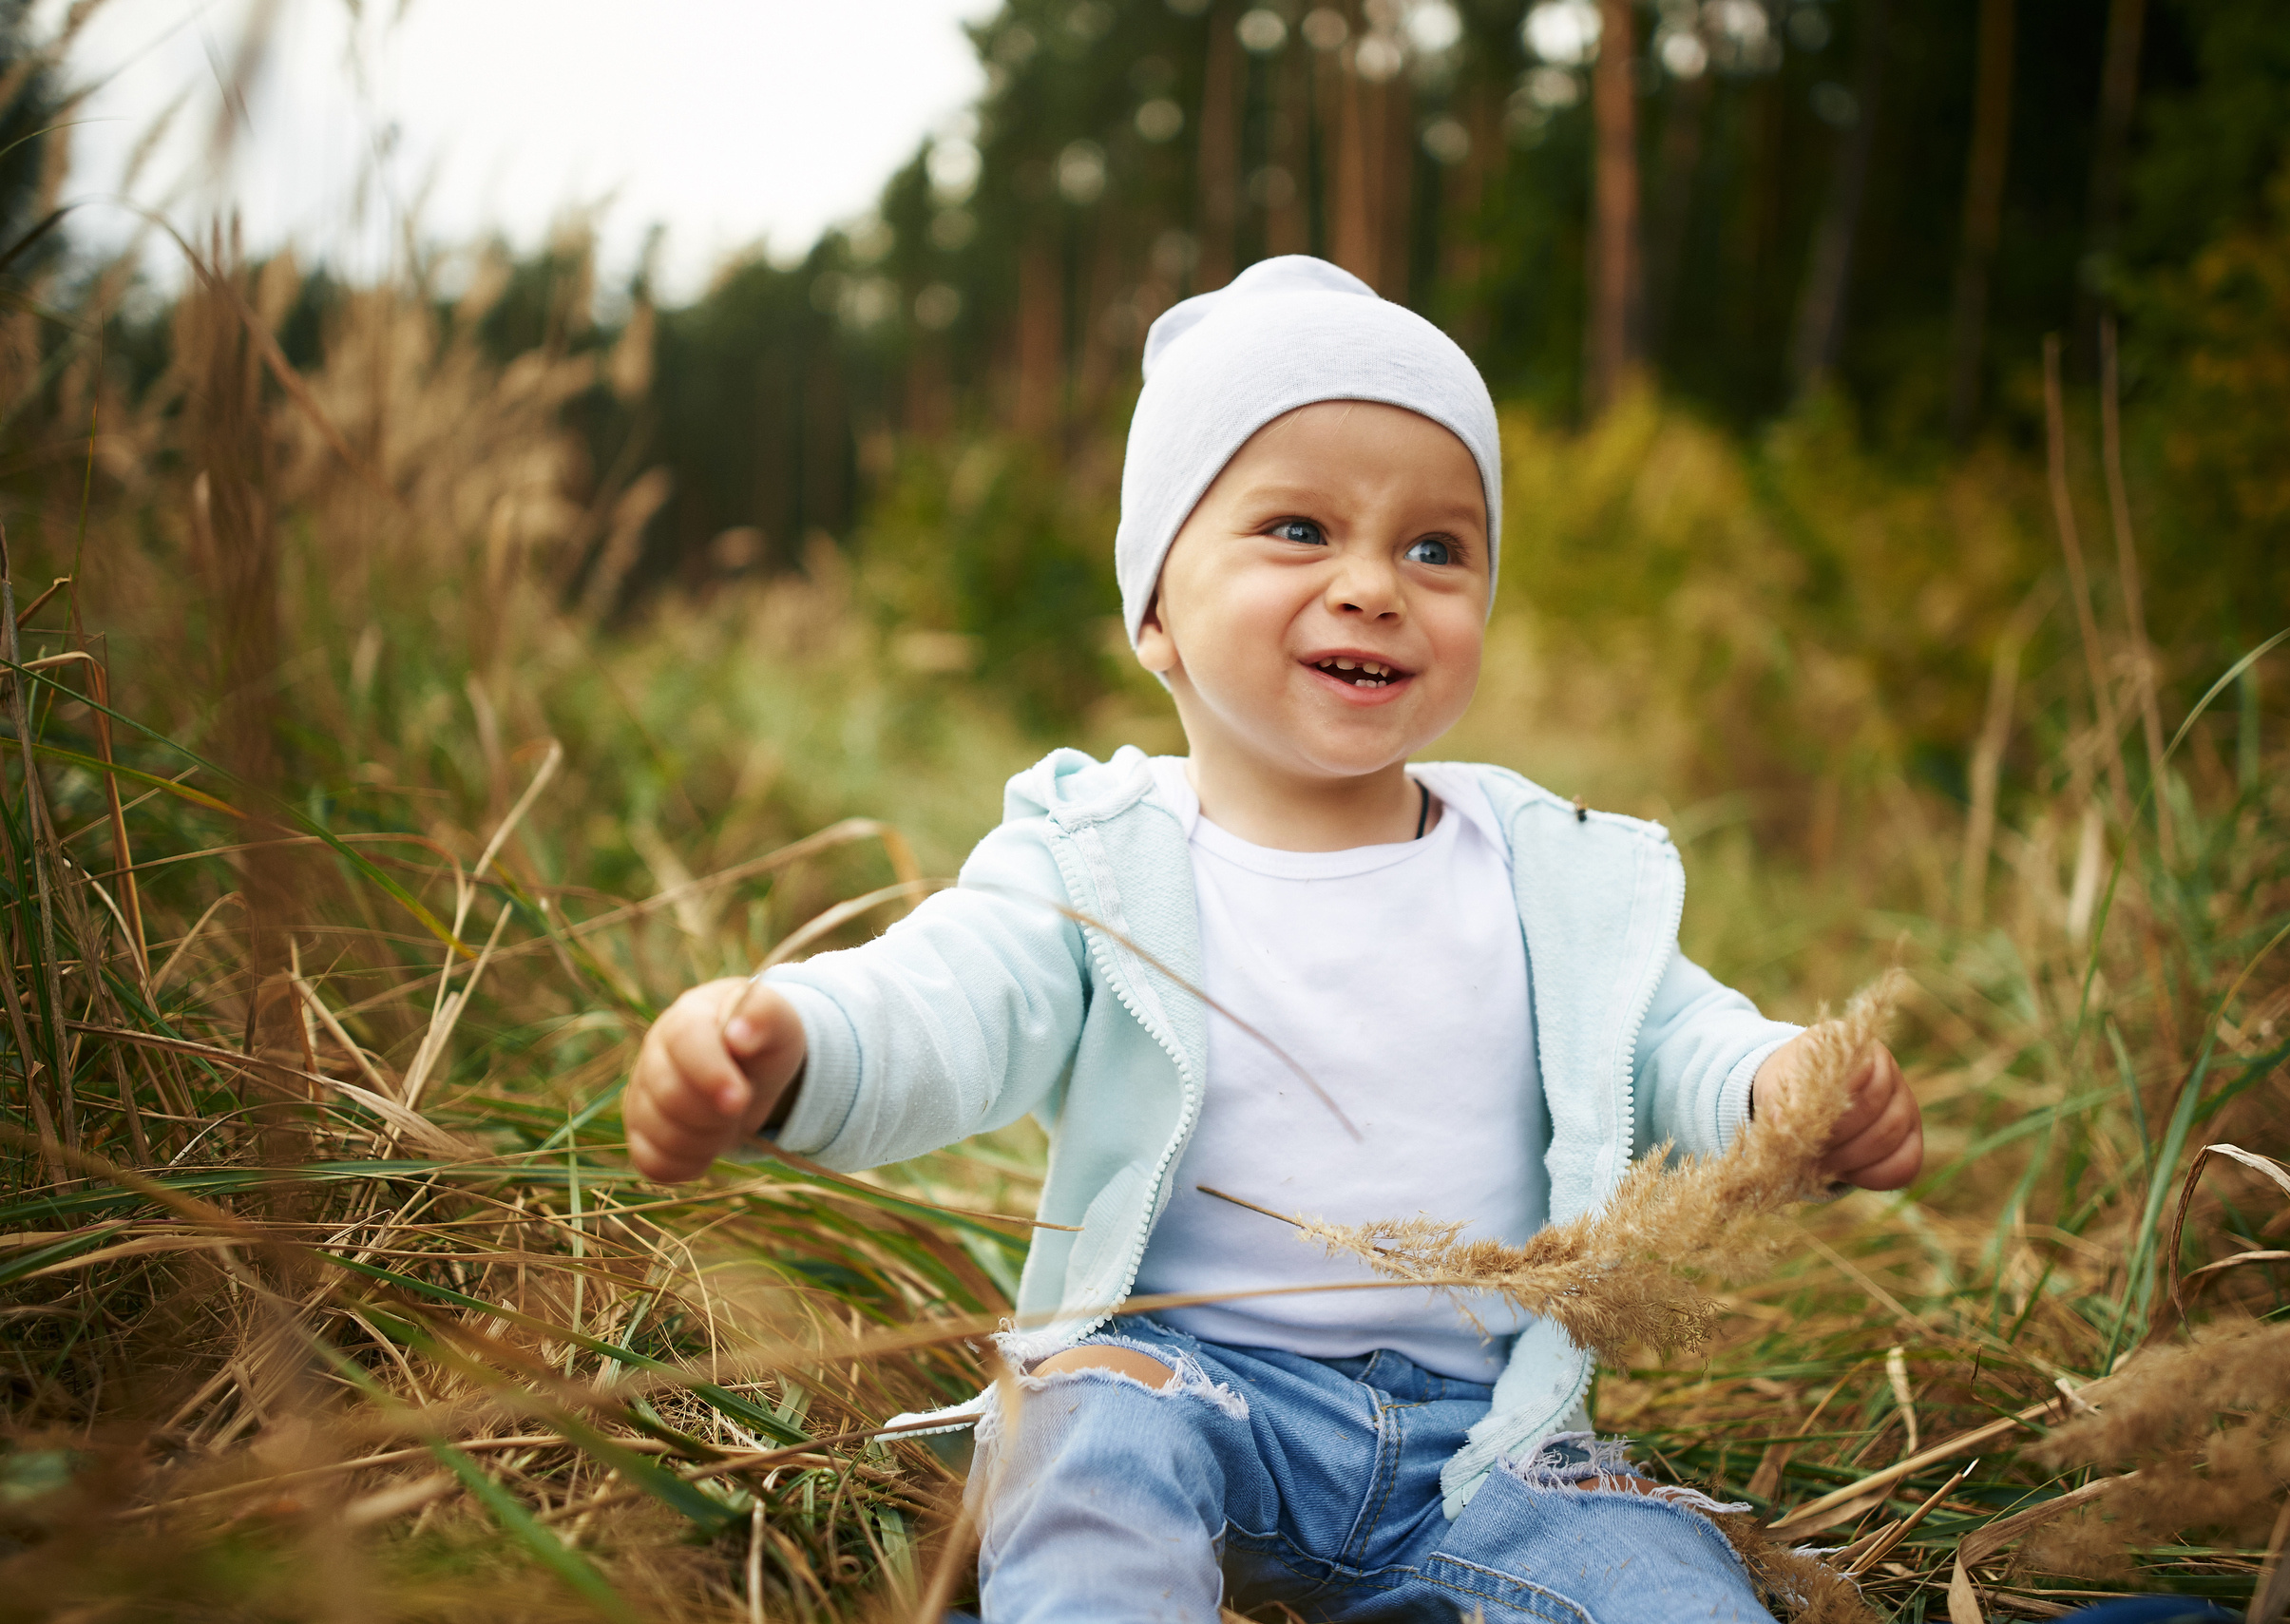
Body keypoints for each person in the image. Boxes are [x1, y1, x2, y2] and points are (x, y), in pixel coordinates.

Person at [622, 256, 1923, 1623]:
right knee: (1086, 1447)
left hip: (1488, 1448)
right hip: (1186, 1388)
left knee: (1670, 1588)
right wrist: (794, 1046)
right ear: (1156, 611)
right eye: (1298, 529)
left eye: (1437, 547)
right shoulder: (1105, 856)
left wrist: (1782, 1087)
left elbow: (1665, 1034)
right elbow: (951, 1003)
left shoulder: (1540, 868)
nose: (1374, 585)